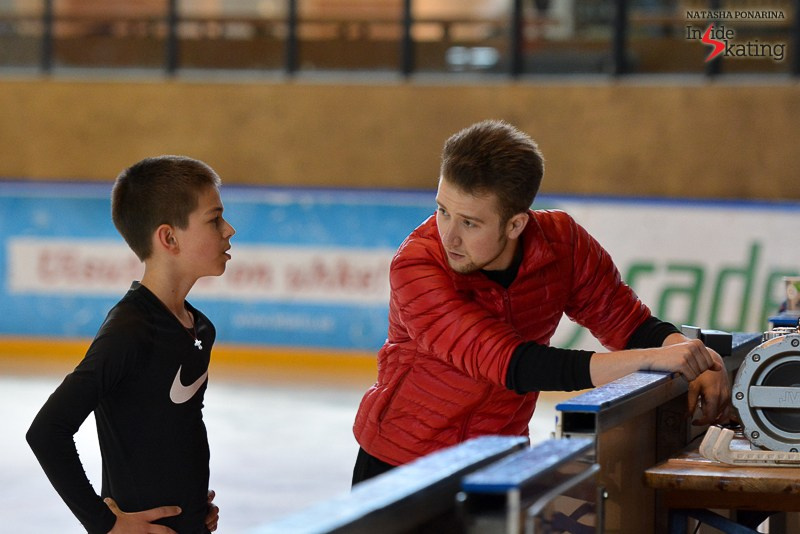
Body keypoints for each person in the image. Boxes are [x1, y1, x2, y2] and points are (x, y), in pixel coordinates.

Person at [351, 120, 730, 484]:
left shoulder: (562, 244)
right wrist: (654, 358)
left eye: (469, 223)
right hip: (402, 464)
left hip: (498, 461)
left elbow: (629, 325)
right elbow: (511, 364)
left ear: (516, 224)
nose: (448, 237)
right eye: (442, 211)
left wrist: (694, 357)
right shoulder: (417, 265)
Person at [27, 155, 235, 533]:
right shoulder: (131, 330)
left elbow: (175, 429)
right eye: (214, 219)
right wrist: (106, 523)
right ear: (169, 238)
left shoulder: (200, 328)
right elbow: (47, 430)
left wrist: (193, 503)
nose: (229, 229)